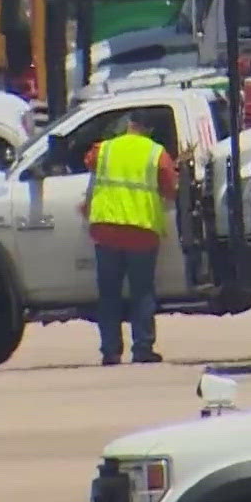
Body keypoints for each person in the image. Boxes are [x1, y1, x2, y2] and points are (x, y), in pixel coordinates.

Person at [81, 113, 177, 365]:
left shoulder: (105, 148)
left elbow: (88, 162)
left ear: (129, 125)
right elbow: (170, 188)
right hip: (141, 230)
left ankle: (110, 351)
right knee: (142, 291)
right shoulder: (156, 152)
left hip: (107, 228)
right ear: (150, 129)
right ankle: (142, 348)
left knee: (109, 293)